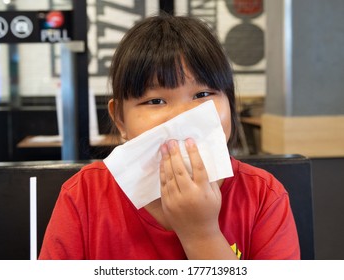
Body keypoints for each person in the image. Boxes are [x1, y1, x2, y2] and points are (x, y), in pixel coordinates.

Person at [39, 14, 300, 260]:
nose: (181, 116)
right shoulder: (83, 196)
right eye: (155, 100)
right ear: (120, 119)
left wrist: (201, 233)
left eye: (202, 94)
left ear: (229, 105)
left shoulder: (264, 197)